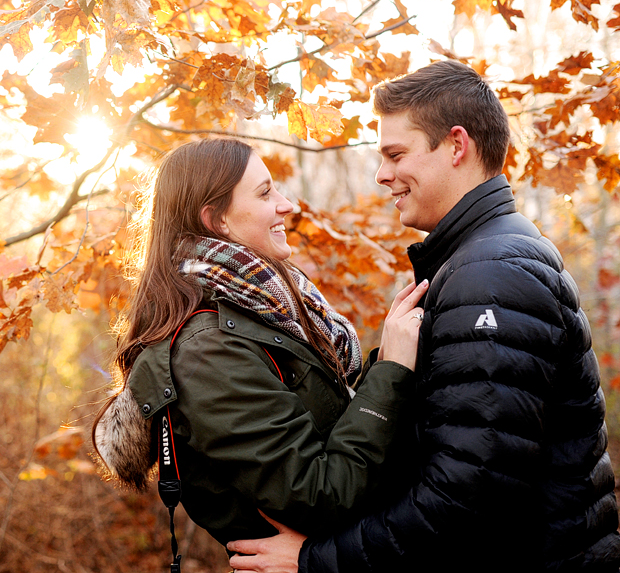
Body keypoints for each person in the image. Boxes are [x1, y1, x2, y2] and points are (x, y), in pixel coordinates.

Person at [227, 59, 620, 572]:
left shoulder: (491, 275)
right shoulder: (477, 260)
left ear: (457, 146)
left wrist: (316, 560)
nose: (382, 174)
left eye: (396, 154)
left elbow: (468, 498)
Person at [91, 138, 427, 549]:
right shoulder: (208, 351)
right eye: (266, 193)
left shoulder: (267, 308)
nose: (287, 205)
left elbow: (334, 421)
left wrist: (393, 354)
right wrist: (392, 370)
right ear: (217, 220)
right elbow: (319, 494)